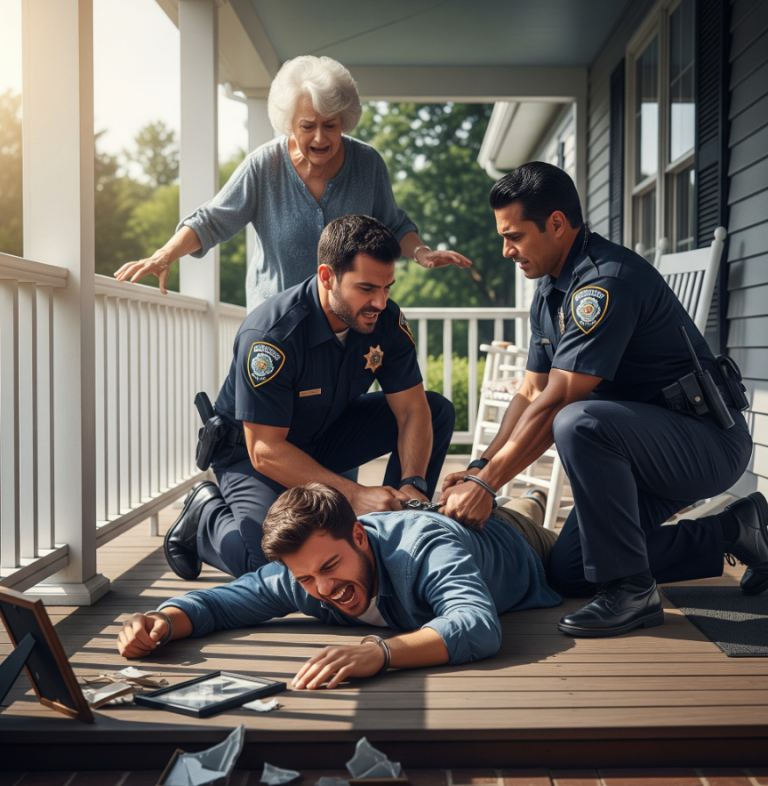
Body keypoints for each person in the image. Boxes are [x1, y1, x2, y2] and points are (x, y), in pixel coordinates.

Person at [438, 161, 766, 638]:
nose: (506, 250)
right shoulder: (550, 289)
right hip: (641, 451)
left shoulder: (603, 283)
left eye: (515, 236)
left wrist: (488, 487)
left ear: (555, 223)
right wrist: (479, 465)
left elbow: (556, 404)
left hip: (703, 443)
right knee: (572, 571)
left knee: (578, 421)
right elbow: (531, 390)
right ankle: (737, 530)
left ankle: (634, 592)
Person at [164, 215, 455, 581]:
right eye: (366, 288)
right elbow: (265, 450)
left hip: (323, 435)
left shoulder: (385, 320)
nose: (380, 302)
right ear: (327, 276)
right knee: (277, 567)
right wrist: (354, 494)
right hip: (254, 456)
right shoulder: (270, 336)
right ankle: (204, 517)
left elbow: (413, 410)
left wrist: (414, 483)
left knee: (436, 409)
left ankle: (397, 527)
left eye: (387, 288)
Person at [113, 55, 471, 310]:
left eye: (330, 125)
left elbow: (393, 224)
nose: (319, 137)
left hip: (343, 323)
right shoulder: (264, 166)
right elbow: (212, 219)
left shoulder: (367, 164)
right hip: (277, 320)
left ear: (344, 121)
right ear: (289, 123)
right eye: (307, 126)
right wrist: (164, 255)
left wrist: (422, 253)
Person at [118, 483, 561, 688]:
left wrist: (380, 652)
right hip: (461, 531)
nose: (326, 588)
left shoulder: (426, 547)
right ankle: (528, 498)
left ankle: (532, 501)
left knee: (581, 561)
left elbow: (477, 625)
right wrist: (160, 621)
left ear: (359, 536)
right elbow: (220, 603)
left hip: (520, 544)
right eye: (306, 578)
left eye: (331, 566)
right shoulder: (305, 575)